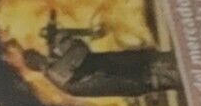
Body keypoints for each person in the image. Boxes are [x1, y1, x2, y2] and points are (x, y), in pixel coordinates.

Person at [21, 14, 182, 99]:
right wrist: (62, 39)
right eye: (37, 54)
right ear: (36, 60)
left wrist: (59, 44)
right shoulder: (56, 72)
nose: (41, 53)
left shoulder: (55, 73)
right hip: (143, 72)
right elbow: (80, 50)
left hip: (137, 75)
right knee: (178, 69)